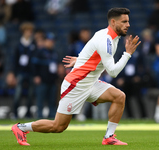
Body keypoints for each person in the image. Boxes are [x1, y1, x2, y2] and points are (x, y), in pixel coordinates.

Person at [11, 8, 141, 146]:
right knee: (58, 126)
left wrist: (79, 60)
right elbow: (113, 72)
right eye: (124, 21)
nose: (128, 24)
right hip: (76, 84)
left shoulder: (104, 34)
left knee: (119, 97)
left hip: (90, 83)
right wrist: (127, 54)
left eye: (128, 21)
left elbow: (90, 49)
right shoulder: (106, 39)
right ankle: (21, 128)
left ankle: (109, 137)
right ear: (113, 22)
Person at [7, 22, 36, 119]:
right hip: (20, 71)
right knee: (18, 92)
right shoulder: (18, 44)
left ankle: (28, 113)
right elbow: (14, 60)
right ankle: (15, 113)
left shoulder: (34, 44)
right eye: (27, 31)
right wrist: (12, 73)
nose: (29, 33)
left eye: (30, 31)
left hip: (31, 72)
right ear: (23, 32)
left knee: (30, 94)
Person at [32, 32, 59, 119]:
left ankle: (52, 118)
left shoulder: (55, 53)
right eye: (49, 40)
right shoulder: (39, 52)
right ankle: (39, 117)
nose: (51, 43)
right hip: (42, 80)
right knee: (40, 100)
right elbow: (34, 65)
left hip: (52, 80)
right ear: (45, 41)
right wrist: (36, 76)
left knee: (52, 101)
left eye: (52, 41)